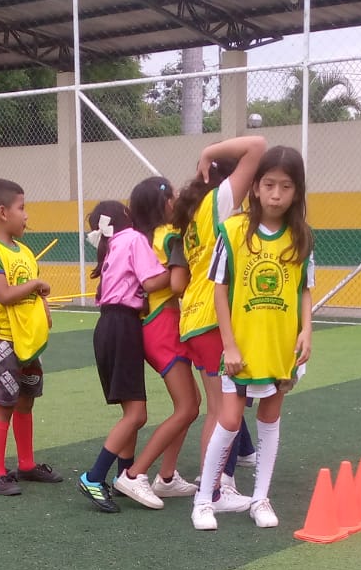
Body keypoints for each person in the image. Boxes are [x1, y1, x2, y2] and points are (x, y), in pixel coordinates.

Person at [200, 145, 315, 531]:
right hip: (242, 347)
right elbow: (219, 289)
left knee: (270, 418)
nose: (276, 194)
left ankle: (260, 498)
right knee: (229, 420)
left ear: (297, 191)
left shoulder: (302, 237)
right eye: (269, 184)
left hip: (280, 347)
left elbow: (304, 289)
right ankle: (205, 499)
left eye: (286, 186)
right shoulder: (232, 231)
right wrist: (229, 345)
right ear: (255, 187)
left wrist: (307, 331)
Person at [173, 134, 266, 514]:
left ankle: (213, 486)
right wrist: (209, 152)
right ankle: (214, 490)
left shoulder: (197, 212)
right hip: (211, 318)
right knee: (223, 410)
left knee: (218, 408)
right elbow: (257, 145)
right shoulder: (219, 201)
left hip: (194, 318)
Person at [74, 199, 175, 514]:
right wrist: (177, 269)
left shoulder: (112, 246)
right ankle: (94, 477)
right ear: (127, 216)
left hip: (108, 326)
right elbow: (151, 282)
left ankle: (123, 474)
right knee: (137, 415)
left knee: (131, 410)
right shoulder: (133, 239)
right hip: (123, 326)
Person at [108, 175, 202, 506]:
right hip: (163, 325)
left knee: (192, 404)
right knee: (187, 407)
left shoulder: (144, 237)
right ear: (163, 203)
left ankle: (167, 477)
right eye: (172, 196)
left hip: (154, 325)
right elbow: (176, 284)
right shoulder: (171, 236)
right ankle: (135, 474)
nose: (177, 200)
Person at [0, 177, 58, 496]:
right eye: (21, 208)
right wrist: (36, 284)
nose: (26, 215)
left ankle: (26, 464)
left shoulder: (24, 251)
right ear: (2, 212)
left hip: (29, 341)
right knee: (4, 404)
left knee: (26, 401)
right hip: (4, 342)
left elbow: (35, 296)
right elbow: (5, 294)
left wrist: (44, 310)